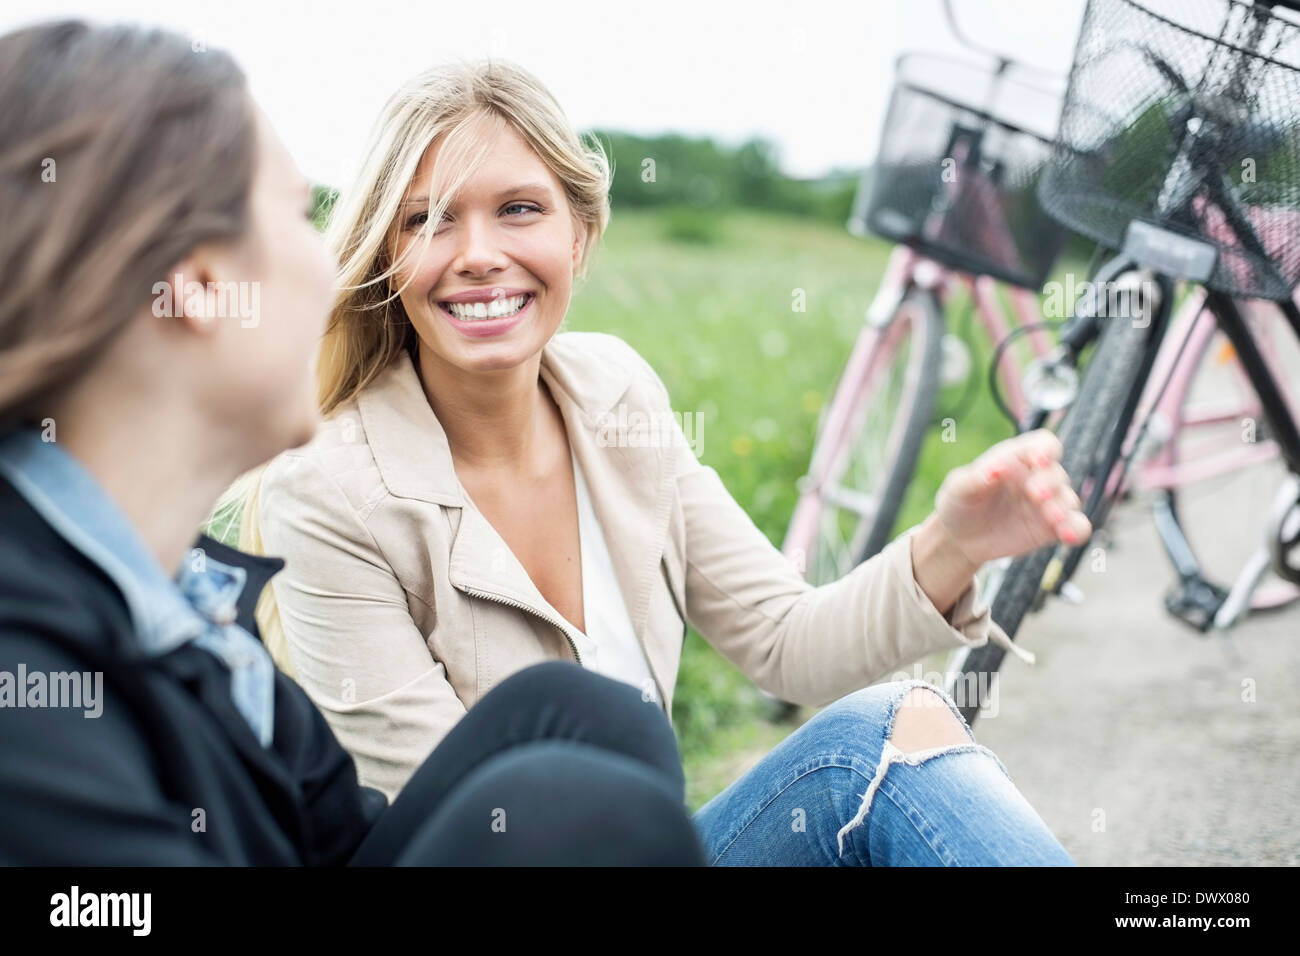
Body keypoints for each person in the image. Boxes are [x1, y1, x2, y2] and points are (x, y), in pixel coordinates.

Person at [233, 58, 1086, 865]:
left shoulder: (615, 396)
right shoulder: (329, 489)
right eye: (428, 219)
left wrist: (955, 541)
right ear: (389, 253)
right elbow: (463, 825)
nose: (478, 252)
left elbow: (790, 642)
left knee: (898, 728)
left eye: (520, 210)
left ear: (580, 235)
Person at [0, 21, 706, 867]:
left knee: (577, 716)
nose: (342, 268)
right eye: (300, 214)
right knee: (579, 813)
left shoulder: (189, 592)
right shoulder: (29, 677)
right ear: (198, 288)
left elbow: (336, 843)